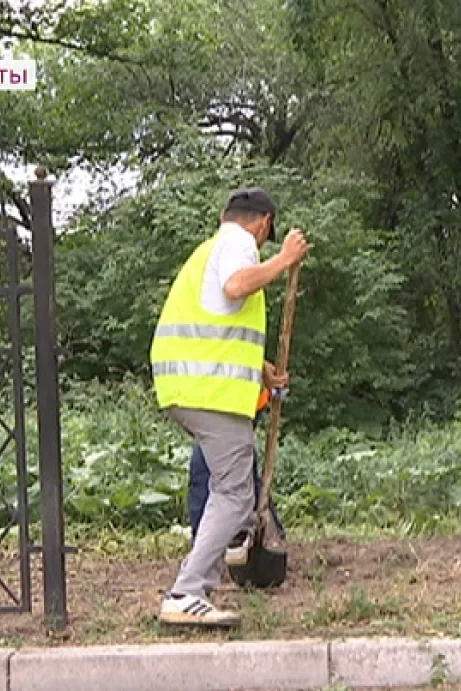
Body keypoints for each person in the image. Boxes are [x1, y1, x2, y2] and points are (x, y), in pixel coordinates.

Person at [151, 187, 308, 627]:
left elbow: (215, 320)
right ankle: (187, 591)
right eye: (267, 237)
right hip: (210, 395)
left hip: (191, 387)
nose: (263, 245)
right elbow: (237, 285)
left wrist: (258, 367)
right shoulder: (238, 242)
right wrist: (283, 261)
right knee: (237, 495)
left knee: (230, 493)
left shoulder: (211, 248)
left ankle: (199, 579)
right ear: (263, 223)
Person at [187, 387, 287, 559]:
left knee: (218, 464)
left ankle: (214, 543)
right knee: (235, 465)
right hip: (227, 399)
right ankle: (262, 533)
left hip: (237, 399)